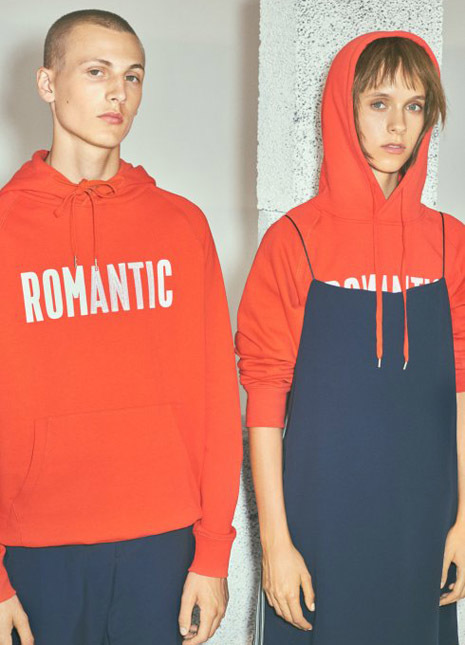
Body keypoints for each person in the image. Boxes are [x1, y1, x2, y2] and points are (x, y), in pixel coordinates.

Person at [0, 9, 242, 645]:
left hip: (162, 548)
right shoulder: (5, 230)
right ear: (47, 83)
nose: (118, 92)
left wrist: (214, 553)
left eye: (133, 76)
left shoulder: (181, 226)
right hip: (33, 550)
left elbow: (218, 397)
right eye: (96, 71)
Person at [236, 29, 465, 645]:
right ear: (345, 106)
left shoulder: (451, 242)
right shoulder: (294, 240)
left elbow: (463, 393)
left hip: (423, 526)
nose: (398, 124)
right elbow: (264, 401)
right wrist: (276, 543)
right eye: (378, 102)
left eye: (415, 105)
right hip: (319, 527)